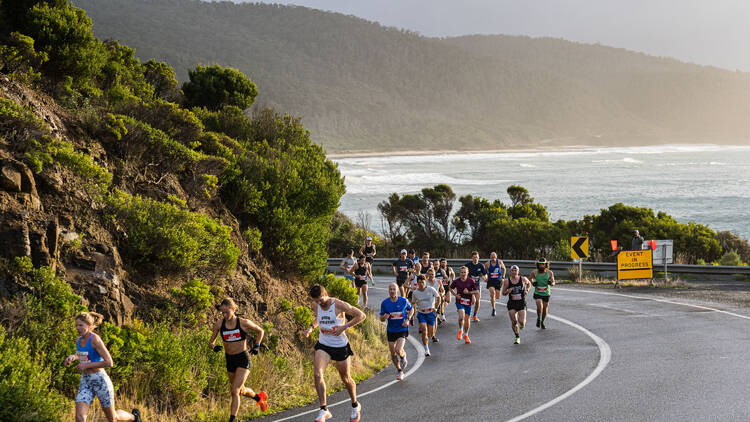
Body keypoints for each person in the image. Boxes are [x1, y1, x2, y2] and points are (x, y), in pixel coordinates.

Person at [303, 285, 366, 422]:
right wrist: (311, 328)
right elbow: (318, 318)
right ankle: (323, 409)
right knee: (317, 374)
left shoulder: (338, 305)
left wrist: (344, 327)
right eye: (316, 301)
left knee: (345, 378)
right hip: (324, 344)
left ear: (325, 293)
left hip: (340, 346)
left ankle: (355, 405)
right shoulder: (315, 305)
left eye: (320, 300)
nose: (319, 303)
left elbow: (361, 315)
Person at [64, 312, 142, 422]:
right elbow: (83, 354)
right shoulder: (78, 340)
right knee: (79, 417)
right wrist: (72, 357)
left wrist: (86, 365)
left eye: (81, 325)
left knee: (113, 418)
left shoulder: (95, 339)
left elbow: (109, 362)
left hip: (100, 380)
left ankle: (134, 417)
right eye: (76, 325)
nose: (77, 328)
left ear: (89, 325)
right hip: (86, 381)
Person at [208, 298, 268, 422]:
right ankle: (259, 398)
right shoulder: (220, 324)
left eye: (226, 312)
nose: (224, 315)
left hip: (243, 359)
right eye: (222, 312)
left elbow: (260, 331)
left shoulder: (243, 323)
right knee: (240, 391)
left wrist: (257, 345)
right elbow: (211, 342)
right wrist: (214, 347)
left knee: (234, 390)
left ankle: (232, 419)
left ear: (233, 309)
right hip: (229, 360)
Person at [380, 282, 415, 380]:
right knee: (393, 353)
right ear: (388, 291)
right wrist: (384, 317)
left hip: (402, 328)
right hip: (391, 330)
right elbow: (381, 318)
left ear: (397, 291)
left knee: (398, 350)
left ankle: (403, 357)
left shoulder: (403, 301)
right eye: (390, 289)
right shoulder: (385, 303)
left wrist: (408, 319)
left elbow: (411, 309)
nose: (392, 291)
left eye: (394, 289)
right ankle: (399, 371)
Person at [410, 275, 440, 355]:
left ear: (425, 282)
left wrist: (436, 307)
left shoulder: (430, 289)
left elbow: (438, 297)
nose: (421, 284)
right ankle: (426, 349)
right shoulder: (415, 292)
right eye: (419, 282)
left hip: (431, 313)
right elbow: (413, 303)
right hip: (421, 313)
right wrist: (413, 312)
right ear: (417, 283)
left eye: (422, 282)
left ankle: (431, 336)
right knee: (424, 330)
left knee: (430, 334)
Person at [502, 265, 532, 344]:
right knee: (514, 322)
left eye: (516, 271)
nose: (514, 272)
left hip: (521, 303)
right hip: (512, 303)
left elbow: (529, 284)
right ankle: (517, 336)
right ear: (510, 272)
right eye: (512, 271)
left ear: (518, 272)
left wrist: (527, 290)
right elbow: (503, 293)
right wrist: (508, 291)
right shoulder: (507, 281)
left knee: (521, 321)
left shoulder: (523, 279)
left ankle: (522, 324)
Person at [450, 266, 479, 344]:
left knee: (467, 320)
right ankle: (460, 330)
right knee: (461, 316)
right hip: (459, 301)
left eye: (464, 272)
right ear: (460, 273)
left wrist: (469, 293)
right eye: (462, 272)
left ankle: (466, 335)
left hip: (468, 302)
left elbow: (477, 291)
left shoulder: (471, 281)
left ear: (467, 273)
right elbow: (450, 288)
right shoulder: (456, 281)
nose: (463, 274)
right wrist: (455, 295)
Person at [529, 258, 556, 329]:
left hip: (546, 293)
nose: (541, 266)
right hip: (537, 292)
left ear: (545, 265)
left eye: (543, 264)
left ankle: (542, 322)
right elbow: (530, 278)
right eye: (540, 264)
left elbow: (554, 282)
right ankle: (538, 318)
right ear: (538, 265)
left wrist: (551, 283)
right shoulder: (534, 272)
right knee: (539, 305)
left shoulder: (550, 273)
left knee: (545, 309)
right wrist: (533, 283)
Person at [465, 251, 487, 321]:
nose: (475, 259)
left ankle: (474, 315)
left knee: (477, 301)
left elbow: (485, 274)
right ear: (472, 258)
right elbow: (463, 274)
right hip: (469, 286)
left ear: (478, 257)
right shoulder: (468, 265)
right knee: (473, 301)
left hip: (477, 286)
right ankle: (467, 313)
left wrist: (484, 277)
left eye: (477, 257)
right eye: (474, 257)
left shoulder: (481, 265)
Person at [424, 268, 444, 339]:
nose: (431, 276)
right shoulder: (425, 282)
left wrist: (442, 294)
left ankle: (433, 335)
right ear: (427, 275)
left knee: (435, 318)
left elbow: (442, 290)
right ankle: (427, 331)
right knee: (427, 319)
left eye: (432, 274)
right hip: (427, 303)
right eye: (429, 274)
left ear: (435, 274)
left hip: (436, 302)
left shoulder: (438, 281)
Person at [485, 252, 506, 317]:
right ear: (490, 257)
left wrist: (503, 277)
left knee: (497, 296)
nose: (493, 258)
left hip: (498, 281)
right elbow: (484, 272)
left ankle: (493, 299)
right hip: (491, 281)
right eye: (492, 256)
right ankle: (494, 309)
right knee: (492, 293)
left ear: (496, 257)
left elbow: (504, 269)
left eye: (494, 256)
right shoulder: (487, 264)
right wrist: (485, 277)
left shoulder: (500, 262)